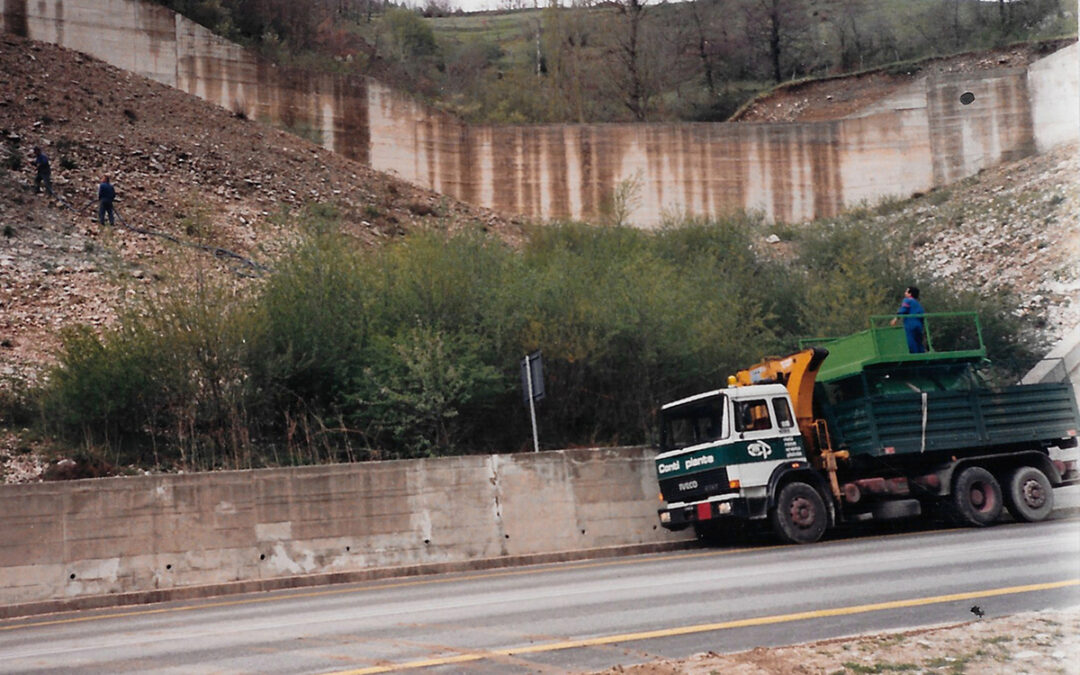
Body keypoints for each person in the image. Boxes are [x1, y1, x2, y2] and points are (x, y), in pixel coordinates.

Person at [890, 286, 926, 353]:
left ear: (910, 294)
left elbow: (903, 310)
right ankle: (922, 354)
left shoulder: (907, 300)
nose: (905, 293)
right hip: (919, 324)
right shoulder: (917, 303)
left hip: (910, 323)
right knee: (919, 341)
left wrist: (896, 319)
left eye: (906, 291)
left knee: (910, 340)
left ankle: (914, 356)